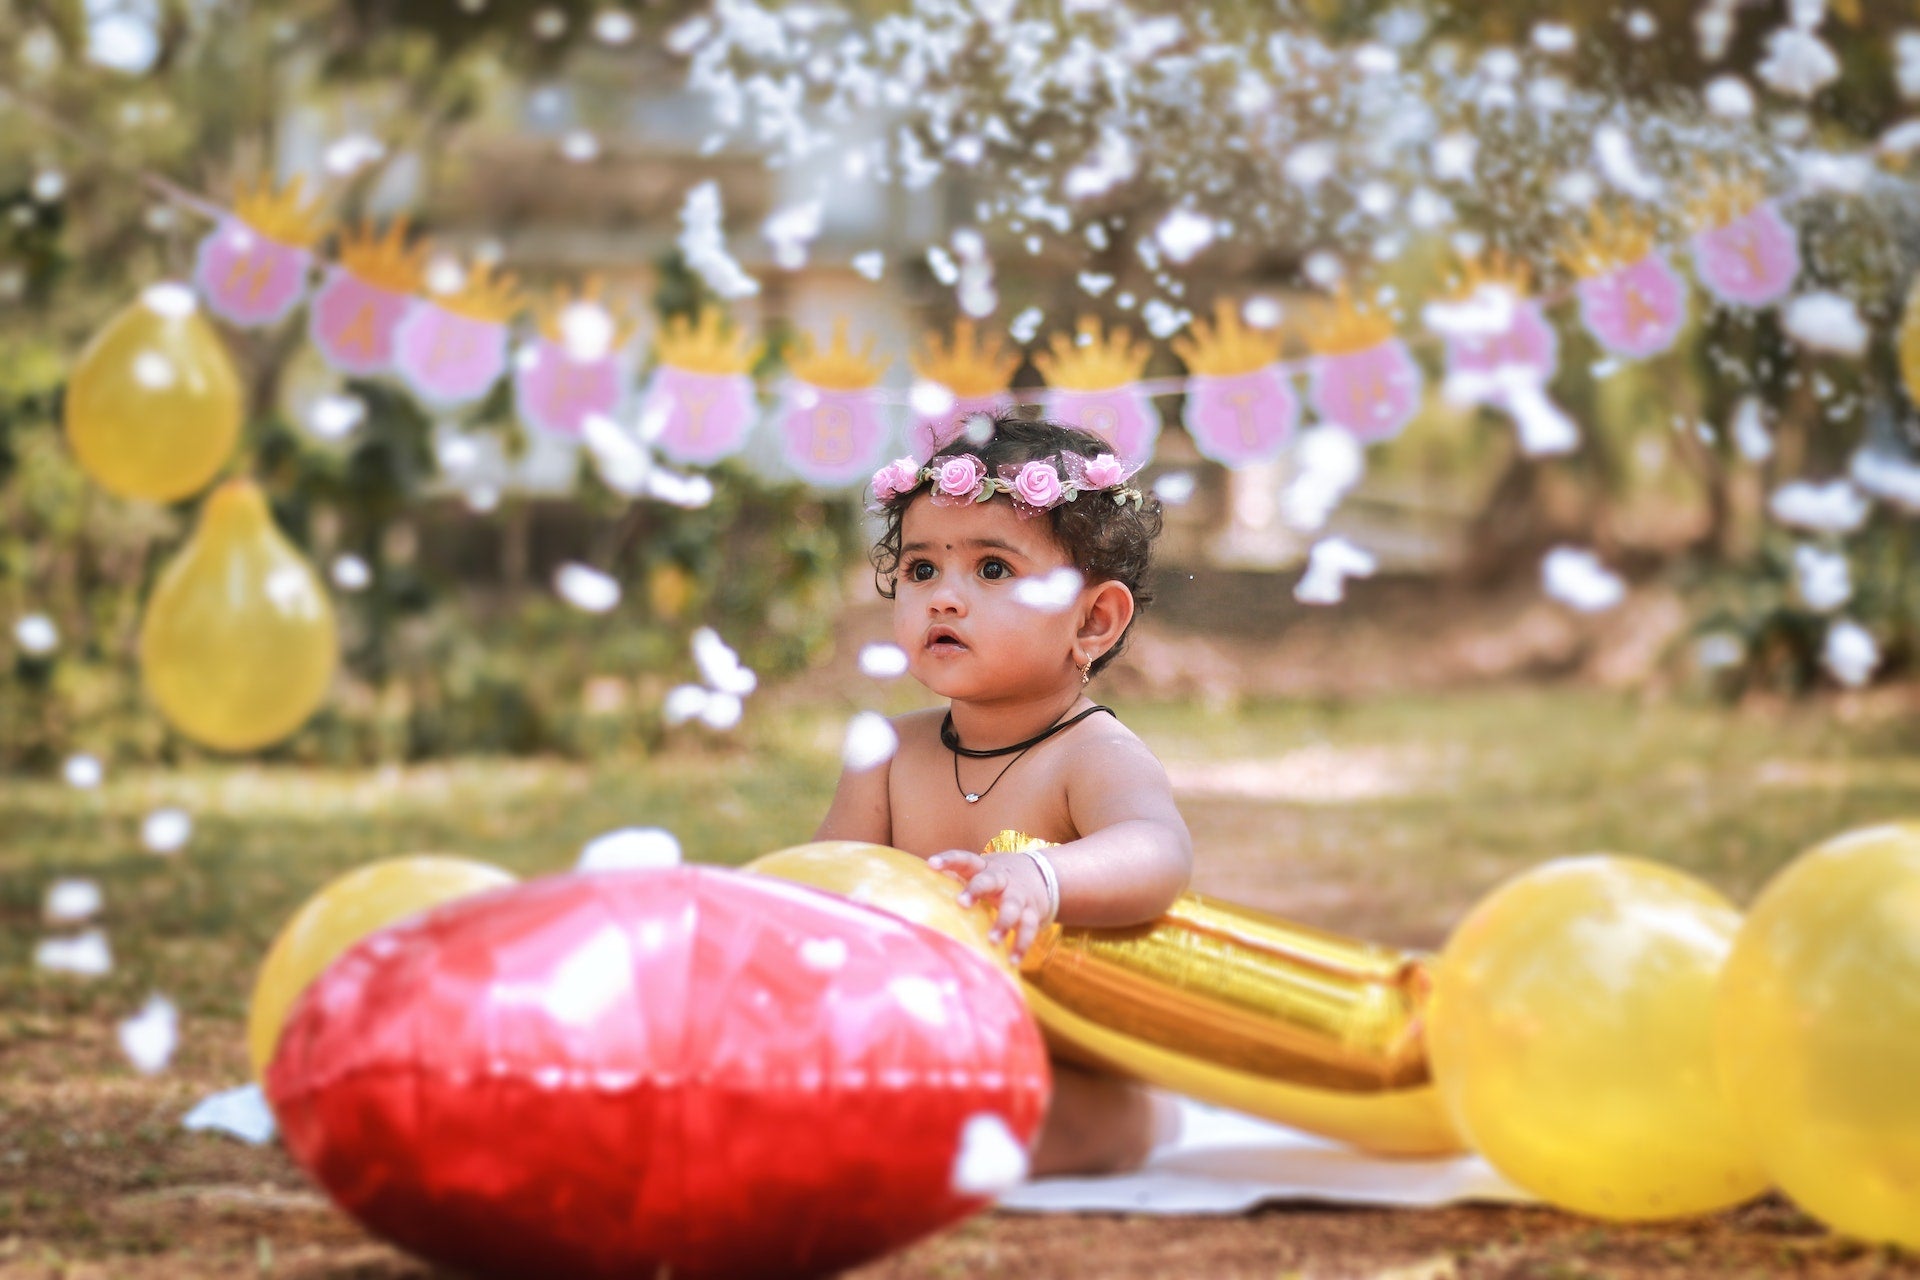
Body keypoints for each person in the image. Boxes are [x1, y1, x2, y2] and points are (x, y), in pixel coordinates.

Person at [815, 415, 1192, 1176]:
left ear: (1093, 620)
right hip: (921, 1040)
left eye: (992, 570)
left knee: (1058, 1121)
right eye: (922, 570)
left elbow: (1159, 851)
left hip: (1063, 1052)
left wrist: (1046, 876)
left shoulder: (1092, 754)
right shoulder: (888, 755)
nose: (944, 599)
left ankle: (1147, 1116)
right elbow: (825, 888)